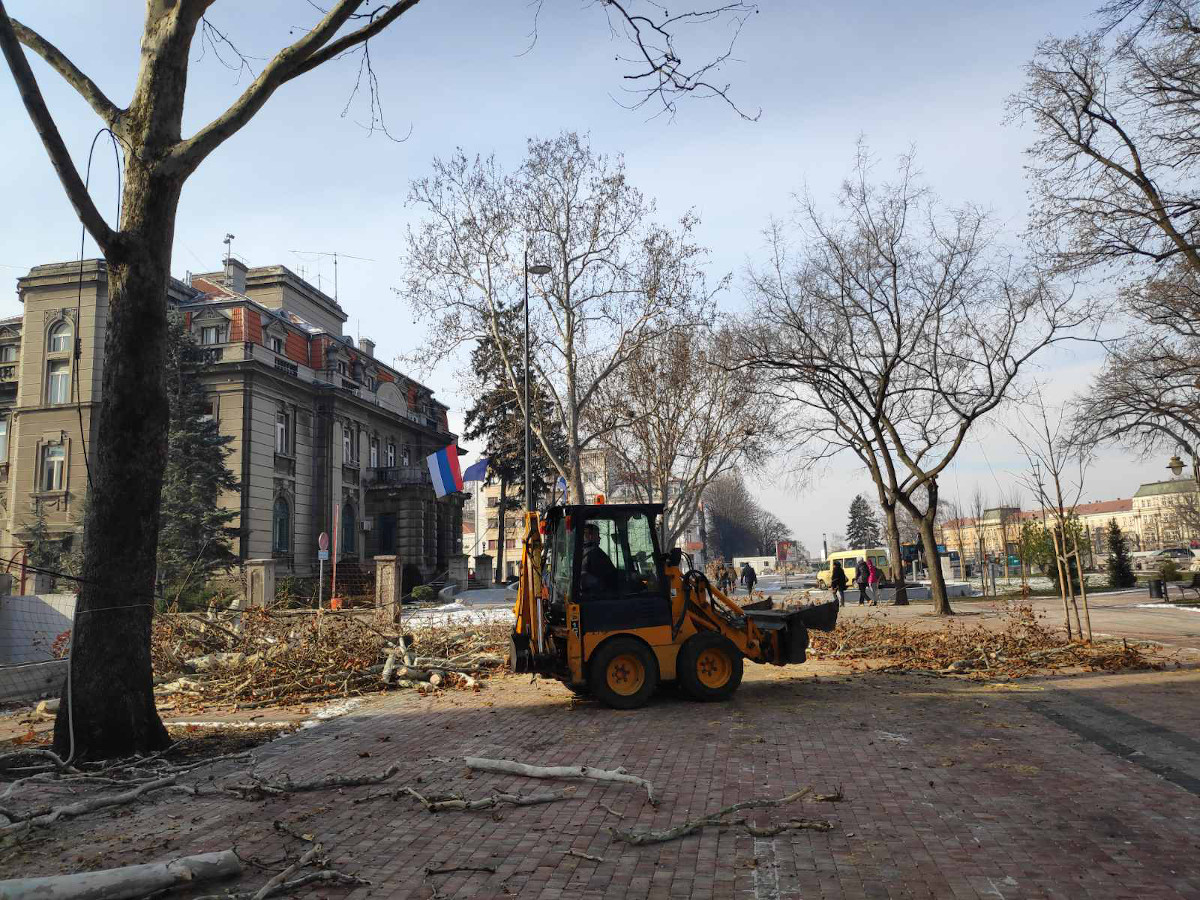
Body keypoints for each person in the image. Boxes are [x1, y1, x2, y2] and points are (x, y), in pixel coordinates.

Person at [580, 522, 619, 594]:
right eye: (597, 535)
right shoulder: (595, 553)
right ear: (590, 536)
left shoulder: (580, 552)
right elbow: (612, 575)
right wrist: (629, 575)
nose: (600, 538)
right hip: (599, 594)